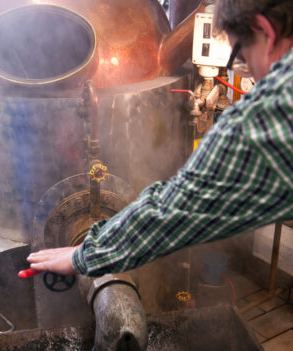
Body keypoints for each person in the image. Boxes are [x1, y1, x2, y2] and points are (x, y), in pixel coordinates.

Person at [27, 0, 293, 277]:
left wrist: (86, 254)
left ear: (265, 32)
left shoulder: (276, 107)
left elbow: (183, 205)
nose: (249, 69)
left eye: (242, 56)